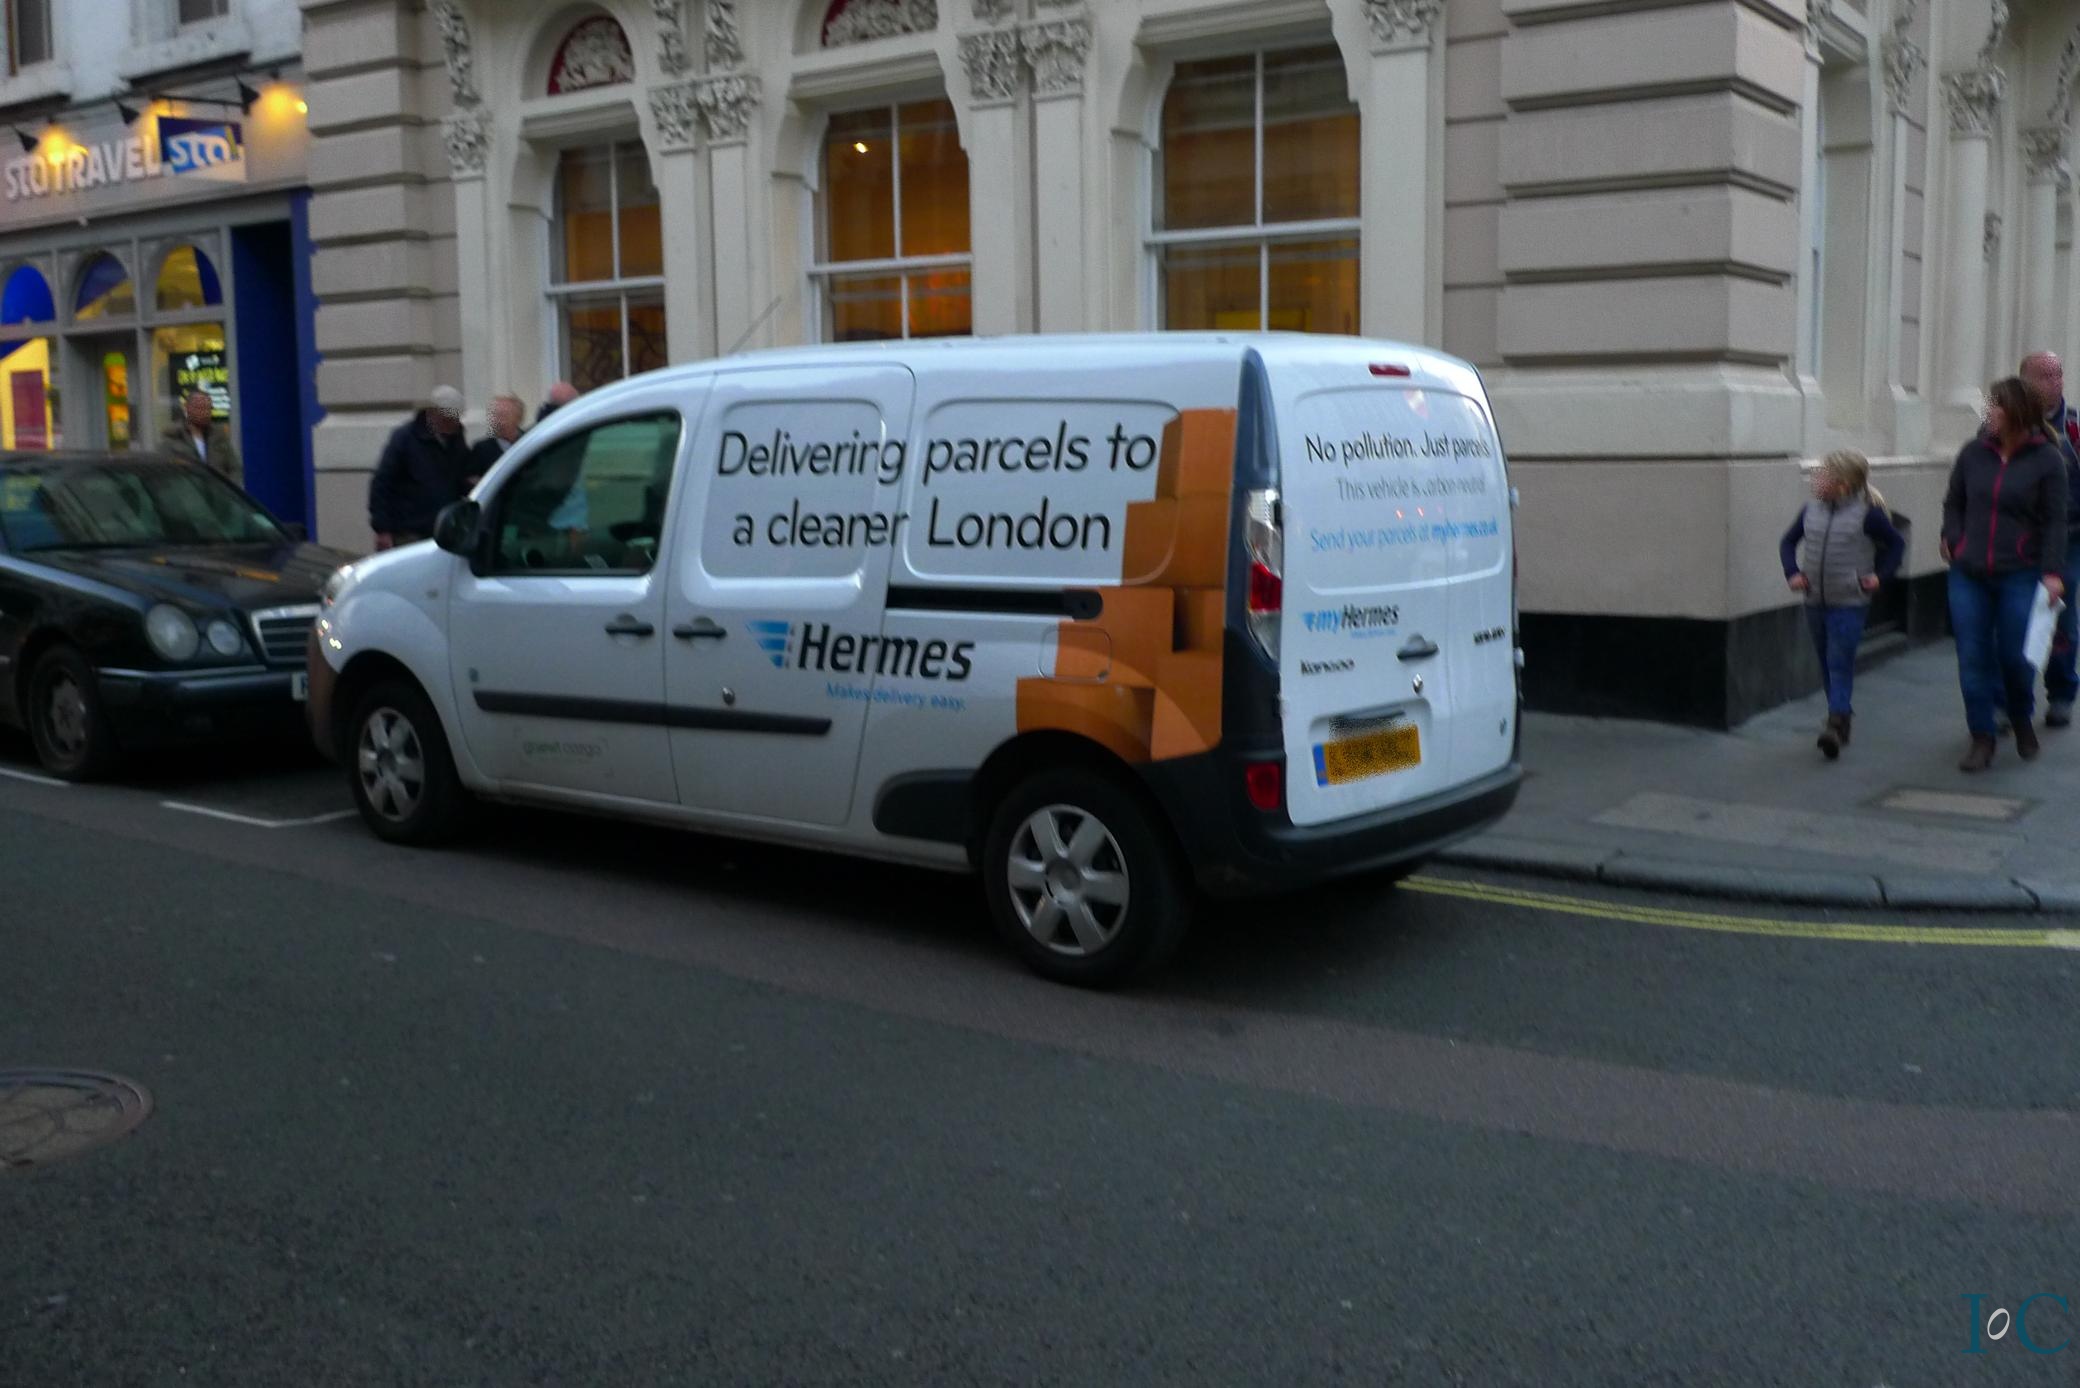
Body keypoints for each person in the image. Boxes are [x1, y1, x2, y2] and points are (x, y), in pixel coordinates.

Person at [1941, 376, 2070, 771]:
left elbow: (2055, 521)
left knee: (2014, 655)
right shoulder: (1972, 454)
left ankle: (2019, 713)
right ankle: (1981, 736)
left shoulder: (2047, 459)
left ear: (2016, 412)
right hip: (1969, 573)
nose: (1987, 411)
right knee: (1972, 655)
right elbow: (1954, 502)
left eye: (1994, 405)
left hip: (2020, 572)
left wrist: (2052, 572)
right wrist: (1953, 537)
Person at [1780, 450, 1906, 759]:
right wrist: (1792, 573)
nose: (1815, 479)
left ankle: (1835, 723)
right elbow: (1788, 542)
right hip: (1814, 600)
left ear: (1843, 485)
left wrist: (1880, 576)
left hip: (1850, 602)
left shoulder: (1867, 515)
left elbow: (1896, 544)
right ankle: (1841, 716)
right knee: (1826, 661)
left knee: (1839, 661)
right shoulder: (1810, 511)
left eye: (1822, 475)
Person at [2020, 351, 2080, 728]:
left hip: (2068, 538)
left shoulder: (2074, 427)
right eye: (2043, 375)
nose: (2053, 382)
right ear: (2023, 380)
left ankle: (2060, 693)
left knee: (2061, 617)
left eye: (2057, 375)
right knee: (2011, 619)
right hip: (2014, 539)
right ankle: (2009, 699)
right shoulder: (1999, 420)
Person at [367, 385, 473, 552]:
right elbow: (382, 482)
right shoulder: (405, 438)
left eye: (456, 418)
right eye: (448, 419)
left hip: (443, 530)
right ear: (434, 414)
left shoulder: (456, 440)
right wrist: (382, 529)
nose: (453, 424)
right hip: (409, 531)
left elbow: (460, 477)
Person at [161, 390, 241, 488]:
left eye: (208, 408)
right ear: (187, 408)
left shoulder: (218, 436)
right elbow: (164, 472)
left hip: (218, 492)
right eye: (200, 408)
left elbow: (234, 467)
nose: (204, 413)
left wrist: (229, 488)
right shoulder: (173, 437)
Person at [469, 393, 525, 485]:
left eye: (503, 415)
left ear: (518, 418)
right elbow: (472, 480)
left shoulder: (528, 442)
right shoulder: (481, 449)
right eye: (494, 415)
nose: (497, 420)